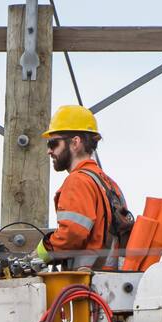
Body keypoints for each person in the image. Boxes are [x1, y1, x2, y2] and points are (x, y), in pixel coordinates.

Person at [33, 105, 132, 270]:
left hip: (86, 283)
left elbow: (72, 234)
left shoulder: (77, 181)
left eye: (53, 143)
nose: (49, 151)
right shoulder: (109, 184)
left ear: (75, 143)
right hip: (111, 281)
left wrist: (39, 254)